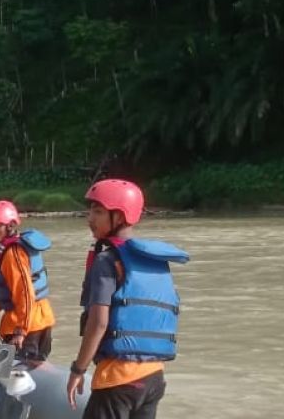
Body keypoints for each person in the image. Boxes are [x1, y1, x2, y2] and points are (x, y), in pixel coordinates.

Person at [66, 179, 189, 418]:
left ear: (120, 217)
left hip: (118, 381)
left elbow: (98, 323)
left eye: (98, 211)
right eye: (90, 210)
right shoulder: (154, 260)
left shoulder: (107, 261)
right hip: (154, 378)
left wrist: (78, 370)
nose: (90, 218)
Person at [0, 199, 55, 361]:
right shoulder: (15, 248)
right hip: (40, 319)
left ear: (10, 226)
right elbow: (10, 291)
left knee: (19, 378)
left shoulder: (12, 254)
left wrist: (21, 331)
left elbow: (25, 293)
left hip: (26, 326)